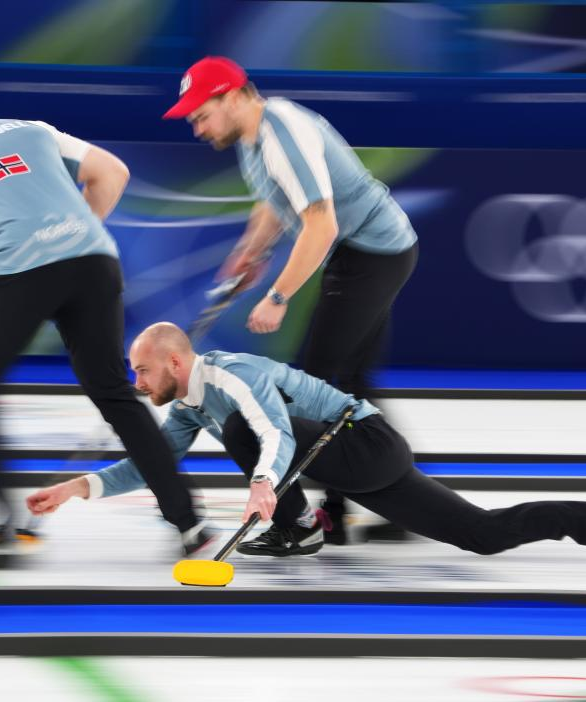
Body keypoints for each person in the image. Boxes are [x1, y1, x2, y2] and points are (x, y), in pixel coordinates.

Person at [26, 323, 586, 561]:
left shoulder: (231, 375)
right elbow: (153, 461)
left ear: (174, 363)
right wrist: (79, 487)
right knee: (484, 534)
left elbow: (272, 431)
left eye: (141, 371)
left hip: (362, 442)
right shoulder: (189, 406)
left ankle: (298, 528)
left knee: (246, 430)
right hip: (351, 463)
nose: (136, 383)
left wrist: (263, 489)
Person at [0, 98, 210, 553]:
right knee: (113, 393)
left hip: (17, 275)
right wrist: (70, 241)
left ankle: (6, 521)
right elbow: (113, 173)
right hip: (94, 260)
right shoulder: (27, 126)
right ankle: (189, 524)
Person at [163, 56, 419, 543]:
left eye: (202, 115)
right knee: (350, 383)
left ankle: (305, 521)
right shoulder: (251, 135)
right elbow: (274, 200)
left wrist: (278, 296)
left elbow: (321, 225)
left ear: (232, 97)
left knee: (312, 388)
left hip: (371, 254)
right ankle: (370, 507)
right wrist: (251, 252)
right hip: (365, 252)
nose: (198, 129)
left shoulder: (284, 133)